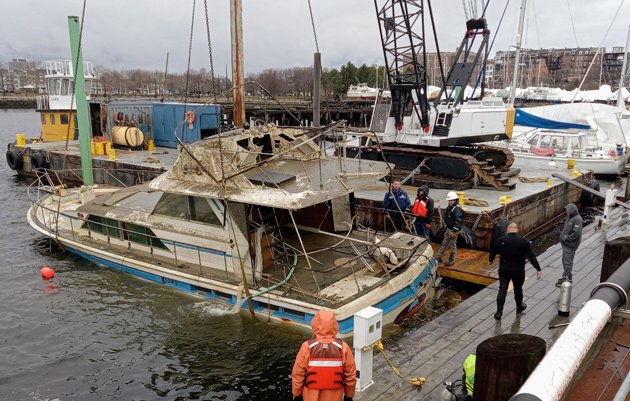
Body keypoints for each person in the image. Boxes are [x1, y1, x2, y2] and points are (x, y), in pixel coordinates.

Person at [291, 310, 357, 401]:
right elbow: (351, 375)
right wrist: (349, 396)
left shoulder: (306, 347)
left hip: (310, 396)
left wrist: (297, 394)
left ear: (315, 324)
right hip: (334, 396)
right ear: (334, 325)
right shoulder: (343, 347)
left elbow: (298, 374)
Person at [489, 223, 542, 320]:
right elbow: (531, 256)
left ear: (508, 230)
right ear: (517, 230)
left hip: (504, 269)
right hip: (518, 270)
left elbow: (493, 252)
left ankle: (499, 313)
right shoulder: (524, 241)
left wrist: (491, 260)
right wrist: (538, 269)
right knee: (518, 289)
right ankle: (519, 307)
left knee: (502, 289)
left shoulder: (501, 240)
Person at [556, 203, 583, 287]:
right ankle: (569, 277)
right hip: (566, 244)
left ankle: (565, 278)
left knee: (567, 262)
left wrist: (566, 238)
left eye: (567, 211)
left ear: (572, 211)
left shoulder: (577, 219)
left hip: (570, 245)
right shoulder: (570, 218)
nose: (566, 212)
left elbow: (577, 233)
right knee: (565, 261)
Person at [434, 191, 463, 267]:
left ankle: (451, 260)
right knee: (445, 242)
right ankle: (438, 257)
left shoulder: (457, 209)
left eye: (450, 200)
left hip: (453, 230)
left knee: (452, 245)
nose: (449, 202)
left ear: (454, 200)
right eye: (449, 200)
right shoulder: (451, 207)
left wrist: (454, 231)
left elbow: (458, 220)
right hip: (449, 228)